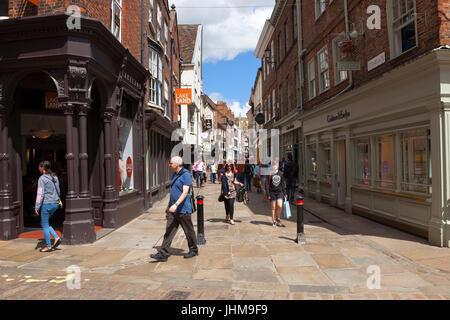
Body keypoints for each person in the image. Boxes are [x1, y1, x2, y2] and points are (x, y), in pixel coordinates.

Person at [150, 156, 198, 262]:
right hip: (173, 209)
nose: (169, 165)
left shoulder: (186, 175)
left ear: (176, 164)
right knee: (169, 230)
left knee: (188, 230)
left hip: (183, 209)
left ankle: (194, 250)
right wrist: (169, 205)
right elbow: (174, 192)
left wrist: (175, 205)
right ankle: (163, 253)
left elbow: (185, 192)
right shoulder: (175, 174)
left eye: (171, 163)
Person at [34, 161, 62, 252]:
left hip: (47, 204)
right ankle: (56, 237)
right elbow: (58, 191)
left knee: (44, 225)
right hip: (55, 204)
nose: (38, 168)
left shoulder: (42, 178)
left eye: (39, 167)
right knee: (45, 223)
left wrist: (37, 207)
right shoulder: (55, 177)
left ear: (43, 168)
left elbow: (40, 194)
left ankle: (48, 246)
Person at [264, 160, 287, 227]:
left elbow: (283, 184)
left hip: (279, 192)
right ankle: (274, 221)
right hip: (272, 192)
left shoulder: (281, 173)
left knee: (280, 206)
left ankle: (278, 218)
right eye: (273, 165)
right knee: (273, 207)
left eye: (276, 165)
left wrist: (285, 193)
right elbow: (266, 185)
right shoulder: (270, 174)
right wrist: (268, 193)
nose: (275, 166)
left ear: (278, 166)